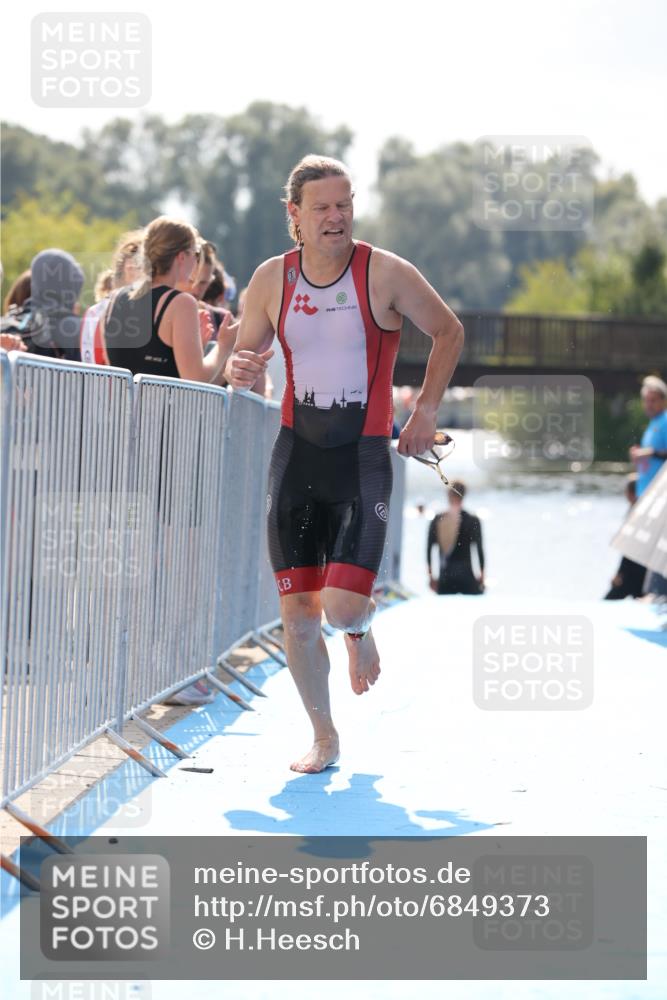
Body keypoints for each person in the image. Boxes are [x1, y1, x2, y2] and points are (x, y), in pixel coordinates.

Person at [225, 154, 463, 773]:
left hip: (362, 457)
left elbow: (449, 331)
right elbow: (244, 361)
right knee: (297, 613)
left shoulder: (384, 273)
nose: (336, 217)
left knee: (338, 607)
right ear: (294, 216)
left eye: (345, 204)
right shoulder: (270, 280)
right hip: (295, 455)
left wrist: (426, 413)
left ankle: (359, 626)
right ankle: (324, 736)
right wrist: (240, 369)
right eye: (322, 207)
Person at [102, 216, 236, 385]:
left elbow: (130, 362)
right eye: (195, 253)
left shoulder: (115, 298)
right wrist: (224, 345)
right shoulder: (181, 303)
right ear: (181, 257)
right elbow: (195, 378)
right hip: (164, 410)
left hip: (120, 409)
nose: (196, 261)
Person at [427, 480, 485, 595]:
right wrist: (482, 575)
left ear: (448, 495)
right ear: (464, 495)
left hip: (445, 578)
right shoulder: (473, 520)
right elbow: (479, 550)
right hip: (467, 578)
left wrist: (431, 576)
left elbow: (428, 549)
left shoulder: (438, 519)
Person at [604, 474, 646, 600]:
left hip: (633, 570)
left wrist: (619, 574)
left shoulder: (636, 515)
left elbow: (630, 547)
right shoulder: (645, 513)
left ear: (630, 493)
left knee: (607, 604)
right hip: (644, 570)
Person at [630, 375, 667, 496]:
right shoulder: (652, 424)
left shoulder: (665, 421)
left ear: (663, 401)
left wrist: (650, 452)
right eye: (646, 400)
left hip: (659, 498)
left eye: (653, 400)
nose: (649, 405)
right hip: (645, 494)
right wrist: (638, 456)